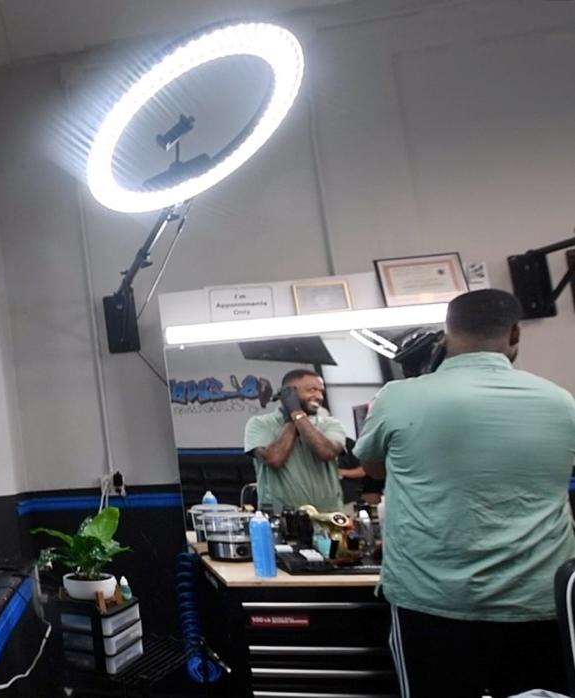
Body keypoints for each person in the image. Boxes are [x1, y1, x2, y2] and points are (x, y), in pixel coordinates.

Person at [353, 289, 575, 697]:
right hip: (539, 601)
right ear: (514, 333)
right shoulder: (563, 403)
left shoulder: (399, 398)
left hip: (434, 600)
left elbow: (372, 467)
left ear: (446, 334)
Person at [243, 369, 347, 513]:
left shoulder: (331, 424)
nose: (318, 396)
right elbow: (274, 458)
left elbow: (326, 452)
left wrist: (297, 414)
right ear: (289, 393)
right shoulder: (260, 424)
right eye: (312, 390)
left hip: (329, 517)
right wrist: (292, 417)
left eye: (321, 391)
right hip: (281, 517)